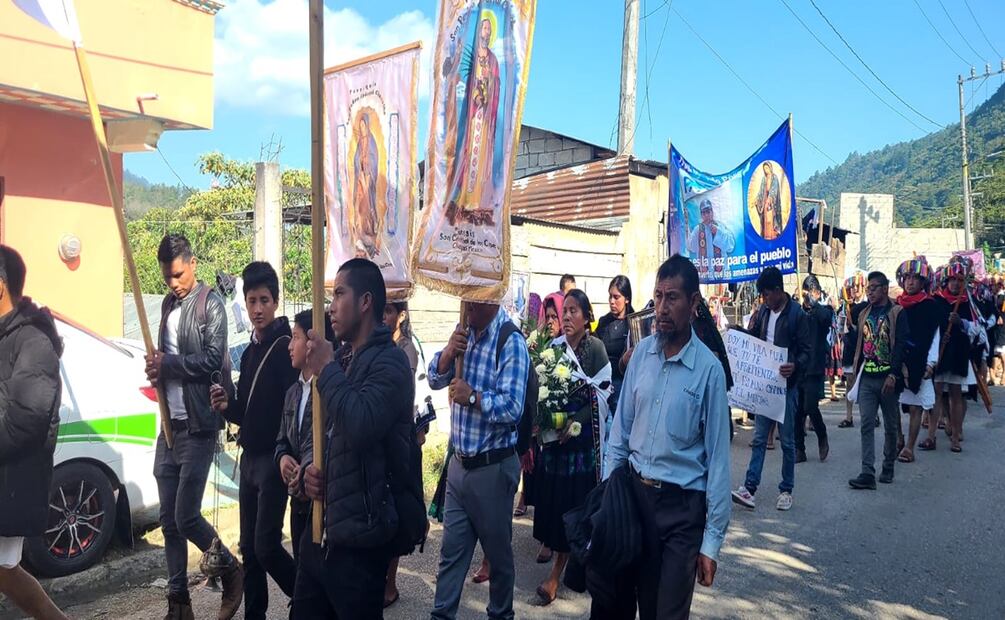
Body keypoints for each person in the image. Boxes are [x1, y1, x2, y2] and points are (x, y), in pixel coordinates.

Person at [601, 254, 731, 620]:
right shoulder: (640, 356)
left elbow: (719, 462)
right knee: (620, 604)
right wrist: (609, 498)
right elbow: (620, 434)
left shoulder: (709, 372)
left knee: (666, 614)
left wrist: (712, 543)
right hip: (634, 502)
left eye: (672, 298)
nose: (661, 307)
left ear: (693, 304)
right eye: (657, 296)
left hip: (682, 512)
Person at [295, 258, 415, 617]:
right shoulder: (343, 357)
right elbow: (316, 436)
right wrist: (307, 471)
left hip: (361, 543)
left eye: (339, 294)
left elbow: (361, 426)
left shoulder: (391, 364)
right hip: (319, 533)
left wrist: (328, 370)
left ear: (365, 302)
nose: (330, 307)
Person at [146, 234, 243, 620]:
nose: (173, 283)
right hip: (168, 425)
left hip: (199, 424)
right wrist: (155, 367)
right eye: (167, 277)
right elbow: (166, 360)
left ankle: (232, 571)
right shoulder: (169, 304)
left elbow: (212, 361)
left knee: (186, 515)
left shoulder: (211, 305)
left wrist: (167, 365)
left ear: (194, 264)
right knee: (168, 521)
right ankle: (178, 604)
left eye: (179, 274)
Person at [427, 300, 530, 620]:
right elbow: (433, 378)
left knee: (498, 560)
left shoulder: (510, 340)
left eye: (475, 295)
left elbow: (514, 407)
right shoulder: (462, 332)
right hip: (459, 465)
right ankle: (441, 615)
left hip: (493, 469)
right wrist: (447, 353)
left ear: (492, 296)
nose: (467, 302)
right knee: (451, 555)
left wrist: (472, 397)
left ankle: (501, 614)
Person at [210, 262, 298, 620]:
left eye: (264, 300)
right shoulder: (249, 353)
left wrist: (287, 453)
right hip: (249, 461)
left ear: (276, 302)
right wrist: (226, 406)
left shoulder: (286, 349)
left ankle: (309, 598)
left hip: (274, 462)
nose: (258, 308)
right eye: (251, 300)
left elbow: (293, 408)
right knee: (249, 547)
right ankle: (255, 615)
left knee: (266, 546)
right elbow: (245, 411)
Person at [0, 246, 69, 620]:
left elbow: (23, 422)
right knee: (7, 575)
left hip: (11, 481)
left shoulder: (33, 343)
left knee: (6, 572)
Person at [533, 289, 611, 605]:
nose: (566, 317)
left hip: (582, 447)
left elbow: (603, 393)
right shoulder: (554, 350)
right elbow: (545, 392)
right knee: (556, 506)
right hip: (556, 446)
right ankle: (578, 564)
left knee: (575, 507)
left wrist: (575, 420)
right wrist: (547, 419)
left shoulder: (596, 350)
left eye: (573, 311)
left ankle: (555, 576)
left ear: (587, 317)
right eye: (564, 311)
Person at [732, 267, 810, 512]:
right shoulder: (764, 311)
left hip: (786, 387)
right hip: (765, 386)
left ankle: (786, 489)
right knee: (758, 439)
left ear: (778, 290)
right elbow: (755, 339)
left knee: (787, 442)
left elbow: (809, 351)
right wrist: (739, 334)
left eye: (767, 294)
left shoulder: (797, 315)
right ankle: (749, 488)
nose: (764, 299)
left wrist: (795, 365)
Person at [274, 310, 333, 567]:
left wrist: (307, 466)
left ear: (312, 342)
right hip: (296, 499)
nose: (289, 345)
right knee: (301, 567)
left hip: (321, 498)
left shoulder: (329, 390)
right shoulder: (292, 393)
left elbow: (325, 439)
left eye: (295, 337)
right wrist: (283, 458)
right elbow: (282, 440)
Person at [847, 271, 910, 489]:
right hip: (867, 377)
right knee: (866, 423)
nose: (870, 292)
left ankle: (888, 465)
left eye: (874, 288)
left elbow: (901, 344)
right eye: (868, 289)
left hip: (887, 378)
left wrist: (894, 374)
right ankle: (867, 472)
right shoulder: (864, 313)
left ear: (885, 288)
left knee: (891, 425)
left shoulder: (897, 312)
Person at [383, 300, 426, 609]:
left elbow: (409, 397)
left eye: (390, 310)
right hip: (384, 437)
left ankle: (392, 581)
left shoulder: (407, 349)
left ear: (401, 315)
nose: (384, 316)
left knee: (398, 505)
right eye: (381, 310)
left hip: (402, 436)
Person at [446, 16, 501, 224]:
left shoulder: (493, 59)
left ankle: (478, 201)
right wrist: (476, 93)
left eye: (488, 29)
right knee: (469, 154)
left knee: (483, 155)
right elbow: (467, 81)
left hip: (486, 117)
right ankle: (465, 199)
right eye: (483, 28)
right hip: (473, 116)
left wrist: (489, 87)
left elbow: (496, 83)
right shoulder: (473, 57)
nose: (485, 32)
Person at [923, 260, 981, 454]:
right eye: (952, 280)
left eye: (959, 280)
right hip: (941, 351)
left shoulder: (967, 302)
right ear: (946, 281)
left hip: (958, 352)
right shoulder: (937, 300)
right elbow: (930, 325)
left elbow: (977, 328)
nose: (955, 284)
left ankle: (955, 436)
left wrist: (961, 323)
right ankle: (931, 435)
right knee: (937, 393)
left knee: (956, 394)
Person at [894, 259, 940, 464]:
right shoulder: (896, 306)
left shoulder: (930, 307)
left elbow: (935, 337)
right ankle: (898, 438)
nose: (910, 282)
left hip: (919, 361)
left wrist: (931, 364)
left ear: (923, 282)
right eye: (907, 278)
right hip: (896, 361)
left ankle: (909, 447)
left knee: (915, 407)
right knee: (891, 404)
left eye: (915, 278)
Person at [796, 275, 832, 463]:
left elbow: (825, 320)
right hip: (798, 366)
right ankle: (799, 448)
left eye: (810, 293)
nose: (806, 297)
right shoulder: (797, 312)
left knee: (810, 406)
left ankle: (822, 434)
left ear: (817, 293)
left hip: (814, 367)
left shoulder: (823, 311)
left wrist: (813, 302)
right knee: (796, 410)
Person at [596, 276, 634, 418]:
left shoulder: (633, 324)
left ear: (627, 299)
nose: (612, 301)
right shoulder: (604, 322)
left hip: (623, 387)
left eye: (616, 297)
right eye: (610, 296)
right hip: (601, 385)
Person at [838, 274, 868, 428]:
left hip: (865, 349)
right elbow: (840, 328)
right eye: (853, 287)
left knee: (866, 384)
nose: (855, 290)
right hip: (850, 348)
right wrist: (845, 327)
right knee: (850, 382)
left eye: (858, 287)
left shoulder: (868, 305)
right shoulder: (845, 307)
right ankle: (849, 416)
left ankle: (870, 415)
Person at [686, 199, 736, 278]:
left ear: (712, 212)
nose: (706, 215)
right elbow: (691, 247)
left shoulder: (720, 226)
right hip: (705, 276)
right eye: (704, 213)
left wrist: (718, 232)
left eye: (708, 212)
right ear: (701, 215)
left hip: (722, 275)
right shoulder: (697, 230)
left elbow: (730, 246)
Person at [754, 161, 782, 240]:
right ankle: (766, 236)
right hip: (765, 200)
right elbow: (761, 191)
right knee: (765, 220)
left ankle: (772, 235)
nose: (766, 170)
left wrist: (770, 199)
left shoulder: (774, 178)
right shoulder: (764, 179)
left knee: (771, 220)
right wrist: (757, 199)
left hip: (772, 203)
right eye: (764, 168)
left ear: (770, 168)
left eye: (767, 168)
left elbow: (774, 189)